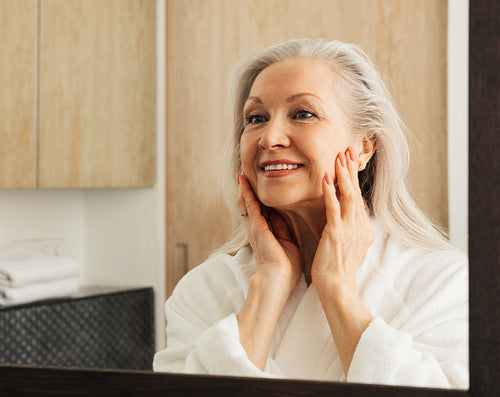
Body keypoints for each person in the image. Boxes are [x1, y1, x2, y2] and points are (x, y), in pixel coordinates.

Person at [153, 39, 468, 389]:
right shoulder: (205, 288)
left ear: (365, 146)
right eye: (256, 118)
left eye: (303, 113)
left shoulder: (443, 282)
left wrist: (337, 289)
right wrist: (268, 285)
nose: (269, 138)